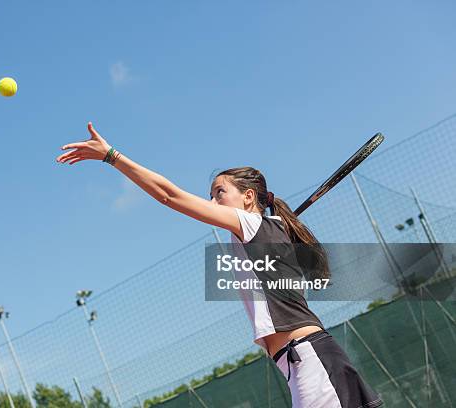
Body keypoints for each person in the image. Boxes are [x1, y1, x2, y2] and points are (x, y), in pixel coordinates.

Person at [56, 122, 383, 408]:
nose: (212, 202)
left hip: (311, 360)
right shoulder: (267, 233)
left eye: (219, 192)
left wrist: (111, 156)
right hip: (302, 361)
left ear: (248, 198)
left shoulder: (254, 226)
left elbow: (169, 195)